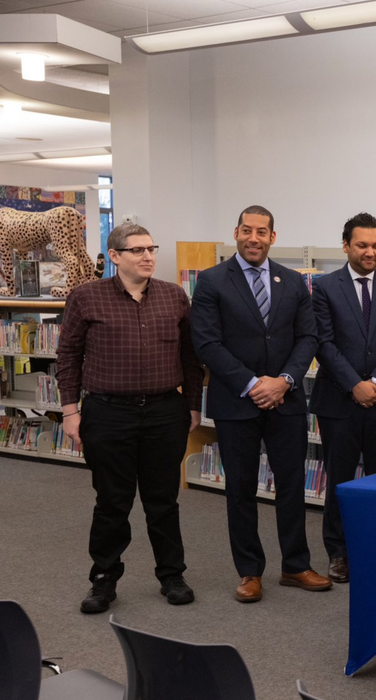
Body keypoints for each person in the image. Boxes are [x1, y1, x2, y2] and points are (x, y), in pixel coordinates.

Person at [60, 224, 204, 614]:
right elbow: (68, 357)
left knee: (163, 500)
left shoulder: (174, 298)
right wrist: (70, 410)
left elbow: (191, 358)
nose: (148, 256)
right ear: (115, 256)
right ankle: (104, 579)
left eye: (151, 249)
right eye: (137, 250)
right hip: (108, 413)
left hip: (163, 412)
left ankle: (172, 575)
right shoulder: (85, 298)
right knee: (112, 501)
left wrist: (192, 405)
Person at [191, 205, 330, 603]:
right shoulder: (212, 280)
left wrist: (284, 381)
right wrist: (253, 384)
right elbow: (206, 343)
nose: (254, 238)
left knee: (291, 485)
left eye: (262, 232)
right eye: (247, 230)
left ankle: (295, 565)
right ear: (236, 232)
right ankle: (249, 571)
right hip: (238, 402)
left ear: (273, 236)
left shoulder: (293, 281)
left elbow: (308, 338)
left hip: (285, 400)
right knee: (240, 488)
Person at [309, 212, 376, 584]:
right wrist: (355, 384)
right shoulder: (324, 286)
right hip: (339, 402)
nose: (370, 252)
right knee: (340, 480)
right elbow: (322, 342)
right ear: (346, 246)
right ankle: (338, 553)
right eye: (362, 245)